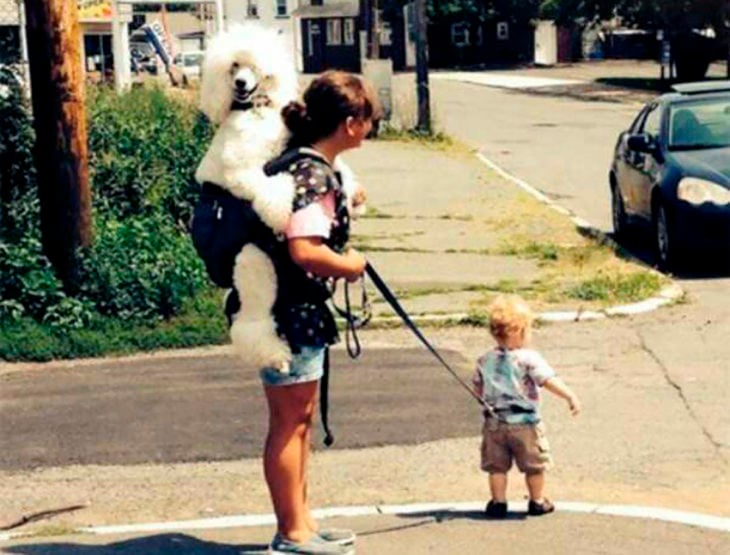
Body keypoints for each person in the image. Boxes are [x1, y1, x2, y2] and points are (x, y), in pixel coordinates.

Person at [261, 71, 380, 555]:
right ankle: (291, 534)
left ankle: (302, 523)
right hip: (292, 312)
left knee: (299, 420)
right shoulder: (314, 174)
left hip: (280, 308)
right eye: (369, 119)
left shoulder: (298, 164)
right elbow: (305, 250)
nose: (371, 128)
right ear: (351, 123)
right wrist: (351, 265)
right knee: (290, 424)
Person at [472, 294, 581, 519]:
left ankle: (498, 503)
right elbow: (546, 380)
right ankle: (537, 501)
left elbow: (477, 388)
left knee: (497, 467)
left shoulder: (484, 360)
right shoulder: (529, 358)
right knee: (534, 465)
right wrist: (569, 395)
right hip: (526, 424)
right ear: (521, 330)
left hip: (495, 423)